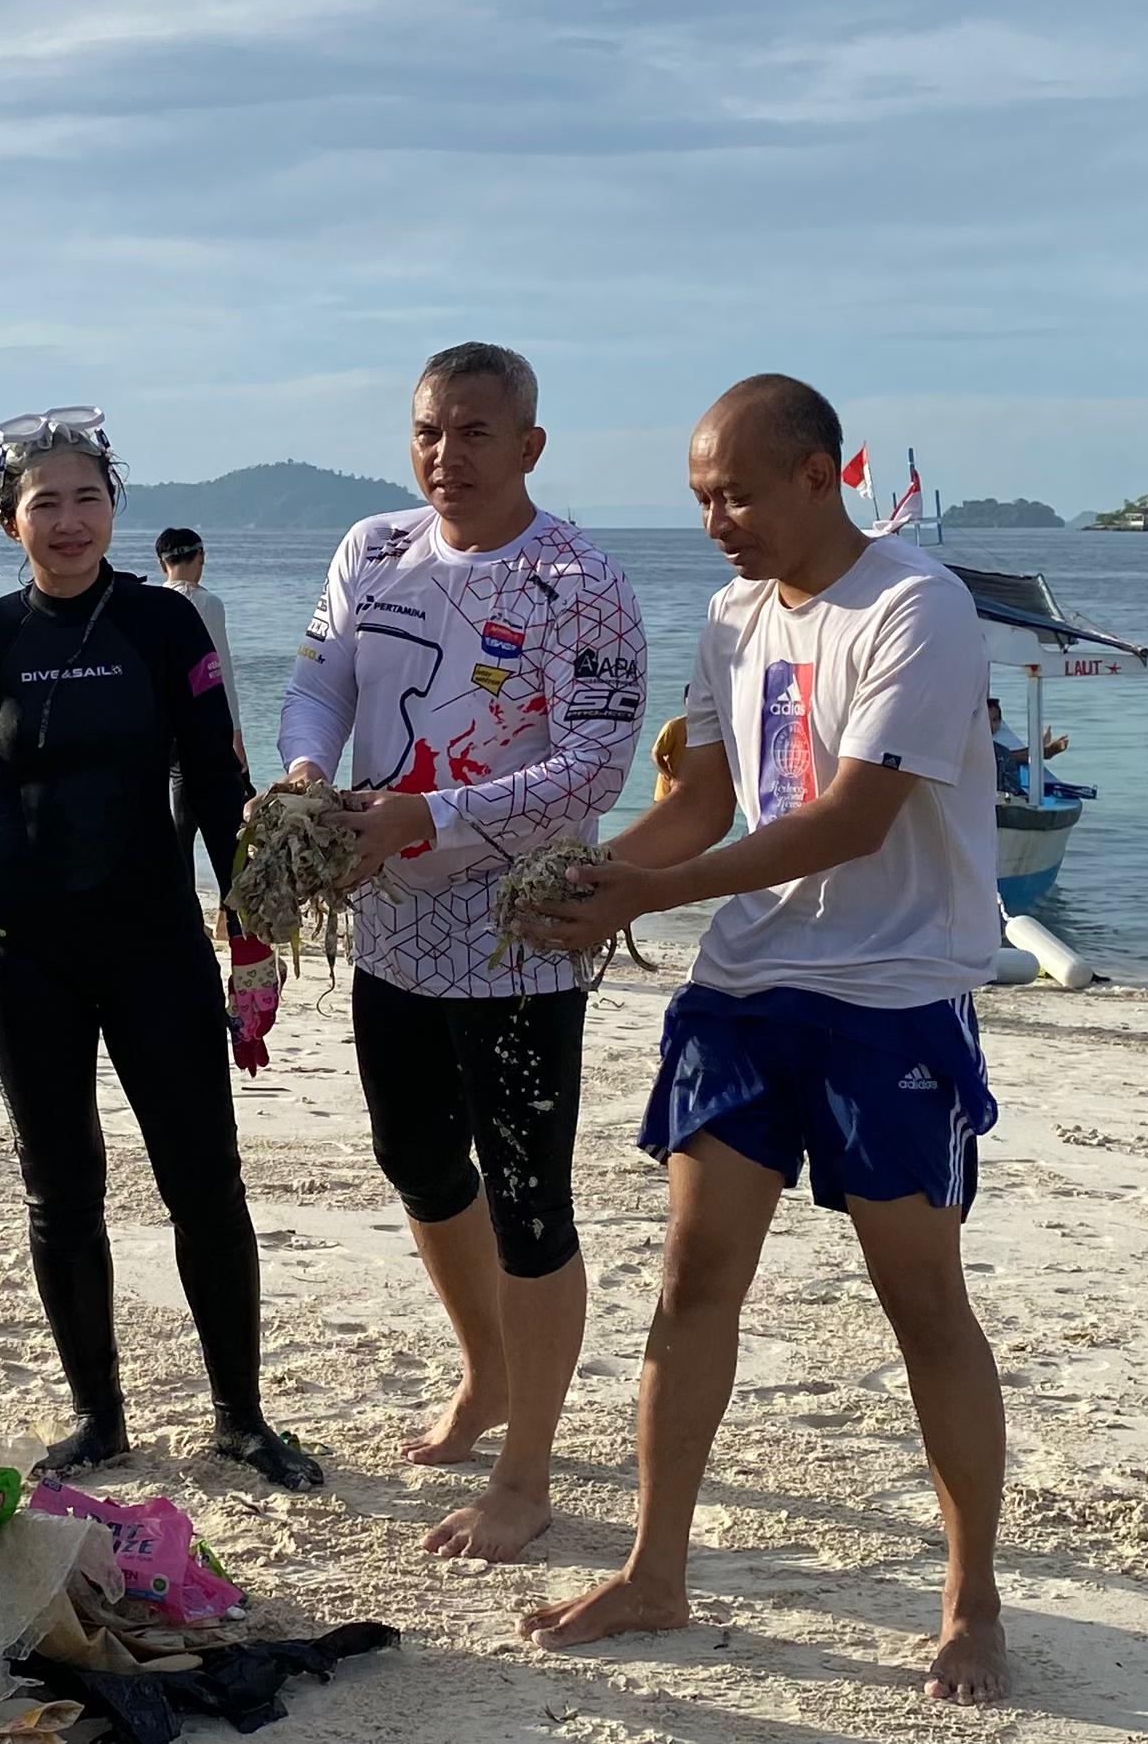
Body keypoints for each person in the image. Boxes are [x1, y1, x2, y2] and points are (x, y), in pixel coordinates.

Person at [512, 373, 1011, 1703]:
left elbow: (854, 821)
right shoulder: (735, 618)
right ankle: (656, 1567)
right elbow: (702, 802)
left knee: (922, 1308)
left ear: (819, 475)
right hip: (744, 992)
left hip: (892, 995)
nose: (717, 521)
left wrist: (655, 895)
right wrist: (598, 873)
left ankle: (973, 1600)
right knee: (691, 1282)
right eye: (697, 499)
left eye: (735, 492)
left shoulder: (919, 607)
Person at [0, 412, 324, 1490]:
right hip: (20, 949)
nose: (69, 519)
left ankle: (240, 1415)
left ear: (113, 511)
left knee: (205, 1184)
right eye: (45, 502)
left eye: (87, 497)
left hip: (151, 944)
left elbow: (223, 792)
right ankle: (99, 1419)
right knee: (61, 1189)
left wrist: (253, 943)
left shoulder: (165, 627)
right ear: (11, 520)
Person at [276, 341, 645, 1562]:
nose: (449, 456)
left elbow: (592, 765)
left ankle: (530, 1472)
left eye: (477, 433)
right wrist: (309, 775)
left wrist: (427, 815)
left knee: (530, 1196)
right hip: (389, 928)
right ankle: (487, 1375)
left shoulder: (579, 580)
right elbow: (320, 680)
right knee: (420, 1164)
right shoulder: (372, 549)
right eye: (431, 431)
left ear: (530, 445)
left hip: (518, 938)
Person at [151, 526, 230, 665]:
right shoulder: (208, 603)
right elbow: (218, 665)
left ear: (162, 565)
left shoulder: (152, 603)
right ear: (201, 556)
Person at [985, 695, 1064, 802]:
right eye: (986, 720)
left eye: (994, 720)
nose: (990, 725)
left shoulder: (1000, 744)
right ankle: (1041, 751)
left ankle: (1040, 750)